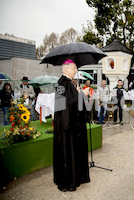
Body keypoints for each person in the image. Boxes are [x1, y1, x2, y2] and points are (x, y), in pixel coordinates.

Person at [53, 59, 90, 192]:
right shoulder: (63, 84)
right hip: (67, 126)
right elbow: (65, 107)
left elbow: (69, 102)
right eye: (74, 68)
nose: (76, 70)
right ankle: (68, 180)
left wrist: (77, 92)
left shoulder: (67, 83)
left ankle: (76, 176)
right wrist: (82, 95)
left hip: (69, 125)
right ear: (66, 69)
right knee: (68, 153)